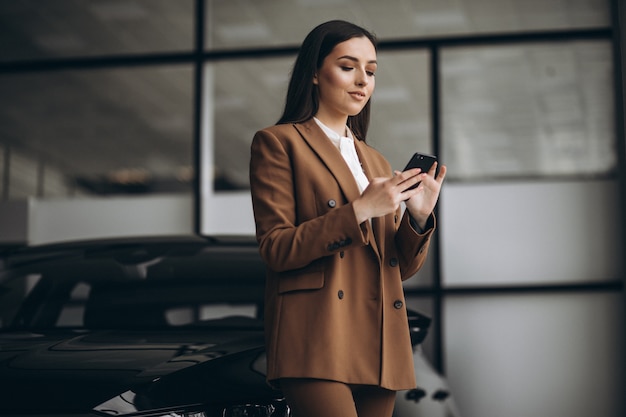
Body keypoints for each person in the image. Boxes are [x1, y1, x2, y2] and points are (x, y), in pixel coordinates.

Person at [249, 19, 446, 417]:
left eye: (371, 71)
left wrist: (419, 219)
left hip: (379, 337)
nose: (362, 81)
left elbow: (398, 268)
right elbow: (276, 249)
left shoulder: (375, 160)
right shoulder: (279, 142)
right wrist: (360, 210)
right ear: (315, 74)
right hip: (317, 331)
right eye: (347, 66)